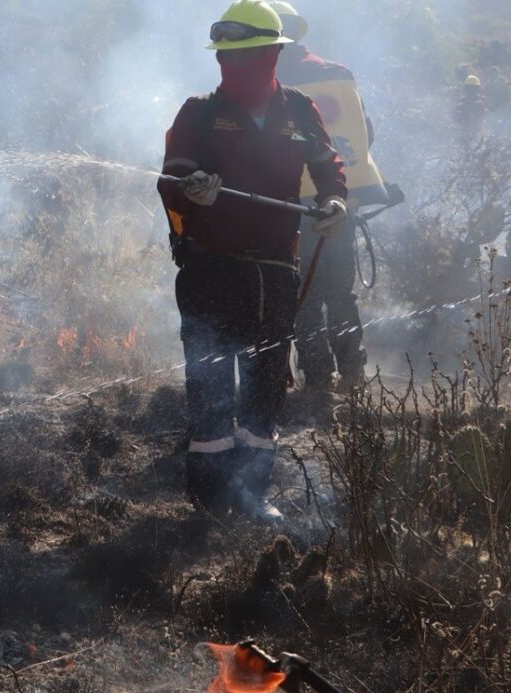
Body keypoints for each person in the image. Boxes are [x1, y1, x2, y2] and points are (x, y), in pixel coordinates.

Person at [159, 0, 348, 521]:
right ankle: (209, 501)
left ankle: (253, 494)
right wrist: (189, 192)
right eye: (226, 57)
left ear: (271, 54)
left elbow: (328, 168)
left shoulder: (299, 111)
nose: (232, 67)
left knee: (266, 381)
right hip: (211, 271)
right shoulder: (198, 112)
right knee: (212, 385)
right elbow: (171, 177)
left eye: (244, 56)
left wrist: (334, 201)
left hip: (275, 272)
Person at [270, 0, 390, 391]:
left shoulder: (269, 84)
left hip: (291, 206)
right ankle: (353, 375)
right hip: (341, 200)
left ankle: (319, 380)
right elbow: (364, 134)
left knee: (302, 295)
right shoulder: (337, 74)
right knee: (339, 292)